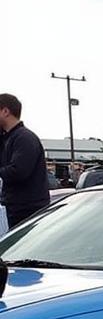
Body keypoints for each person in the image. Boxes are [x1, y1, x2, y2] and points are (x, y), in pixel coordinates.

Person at [0, 93, 50, 227]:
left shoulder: (24, 138)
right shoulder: (6, 139)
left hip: (28, 211)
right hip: (14, 208)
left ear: (5, 111)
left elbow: (18, 171)